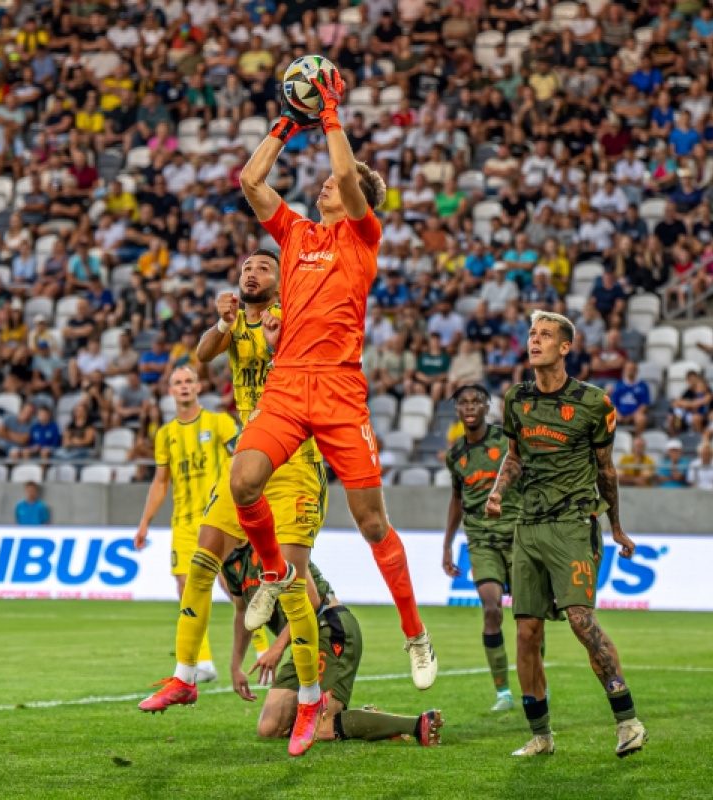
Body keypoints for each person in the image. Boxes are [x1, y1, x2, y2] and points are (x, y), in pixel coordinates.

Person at [235, 73, 437, 752]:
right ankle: (269, 574)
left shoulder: (362, 234)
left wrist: (331, 118)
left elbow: (349, 184)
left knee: (371, 519)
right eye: (321, 183)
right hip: (290, 383)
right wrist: (288, 123)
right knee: (243, 483)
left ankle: (415, 631)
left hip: (342, 389)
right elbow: (251, 181)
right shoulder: (293, 235)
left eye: (332, 184)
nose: (321, 186)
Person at [137, 251, 326, 757]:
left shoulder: (289, 314)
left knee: (289, 583)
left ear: (279, 281)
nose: (251, 272)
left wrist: (266, 326)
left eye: (263, 267)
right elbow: (203, 354)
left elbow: (285, 349)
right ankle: (184, 677)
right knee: (203, 561)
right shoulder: (236, 317)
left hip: (295, 463)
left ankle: (310, 698)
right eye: (246, 266)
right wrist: (223, 321)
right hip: (248, 463)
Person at [487, 310, 647, 758]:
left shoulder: (594, 402)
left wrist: (615, 526)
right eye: (532, 333)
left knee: (580, 620)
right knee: (526, 632)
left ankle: (628, 721)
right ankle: (541, 735)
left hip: (573, 524)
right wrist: (499, 493)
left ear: (565, 347)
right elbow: (514, 456)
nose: (534, 340)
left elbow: (606, 470)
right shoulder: (516, 398)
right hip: (528, 526)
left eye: (545, 335)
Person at [225, 542, 443, 748]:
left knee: (322, 728)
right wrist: (235, 666)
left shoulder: (278, 542)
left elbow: (311, 600)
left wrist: (277, 648)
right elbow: (242, 612)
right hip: (304, 641)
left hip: (330, 627)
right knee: (269, 728)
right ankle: (361, 719)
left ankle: (417, 725)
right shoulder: (230, 563)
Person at [133, 366, 239, 686]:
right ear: (170, 391)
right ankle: (202, 662)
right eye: (177, 382)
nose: (183, 387)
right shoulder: (165, 435)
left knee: (233, 587)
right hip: (182, 523)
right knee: (186, 590)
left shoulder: (220, 423)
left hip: (217, 518)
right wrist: (144, 522)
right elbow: (160, 482)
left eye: (189, 381)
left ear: (198, 387)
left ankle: (262, 649)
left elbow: (243, 459)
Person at [443, 384, 521, 712]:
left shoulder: (507, 441)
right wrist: (447, 546)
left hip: (518, 535)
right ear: (457, 411)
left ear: (488, 405)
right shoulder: (455, 454)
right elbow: (457, 500)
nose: (470, 406)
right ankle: (502, 691)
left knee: (529, 615)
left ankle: (534, 678)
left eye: (477, 400)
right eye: (463, 402)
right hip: (481, 540)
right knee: (491, 610)